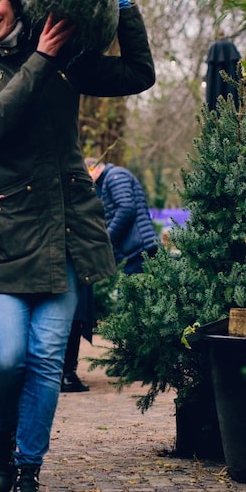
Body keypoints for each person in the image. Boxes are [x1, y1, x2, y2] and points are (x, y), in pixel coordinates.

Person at [0, 0, 155, 492]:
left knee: (44, 361)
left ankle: (28, 476)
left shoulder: (64, 51)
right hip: (5, 231)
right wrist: (41, 58)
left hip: (65, 225)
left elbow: (139, 74)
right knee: (6, 355)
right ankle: (2, 434)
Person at [59, 159, 161, 393]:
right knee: (131, 306)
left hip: (138, 250)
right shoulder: (110, 181)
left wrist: (104, 240)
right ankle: (132, 363)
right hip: (132, 250)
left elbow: (126, 209)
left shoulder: (116, 177)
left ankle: (138, 364)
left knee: (134, 308)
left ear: (93, 169)